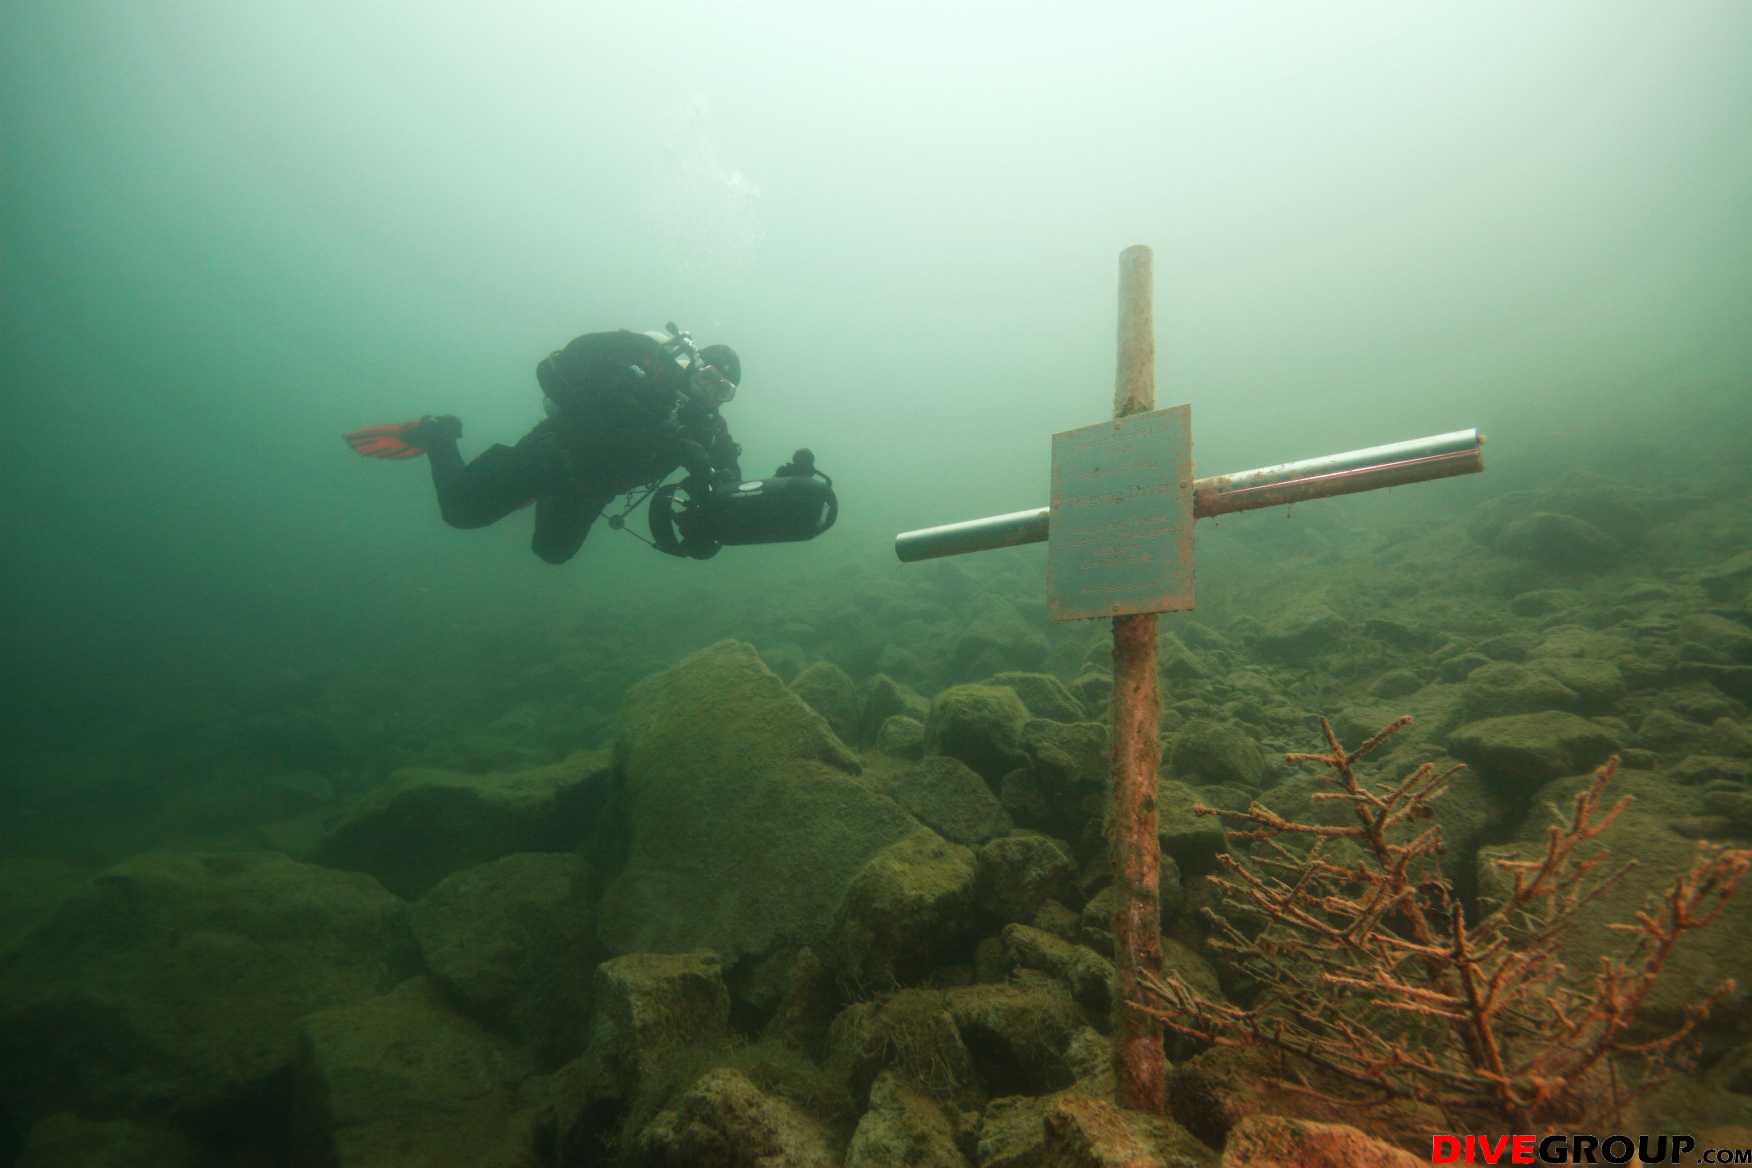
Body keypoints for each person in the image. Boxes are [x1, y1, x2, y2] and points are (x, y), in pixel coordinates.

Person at [347, 326, 744, 564]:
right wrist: (634, 352)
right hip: (552, 455)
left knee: (552, 553)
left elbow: (729, 471)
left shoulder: (710, 429)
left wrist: (714, 517)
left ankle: (528, 496)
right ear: (693, 367)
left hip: (589, 490)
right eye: (707, 378)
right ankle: (439, 433)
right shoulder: (651, 382)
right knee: (459, 512)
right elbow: (561, 368)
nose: (710, 393)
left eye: (723, 390)